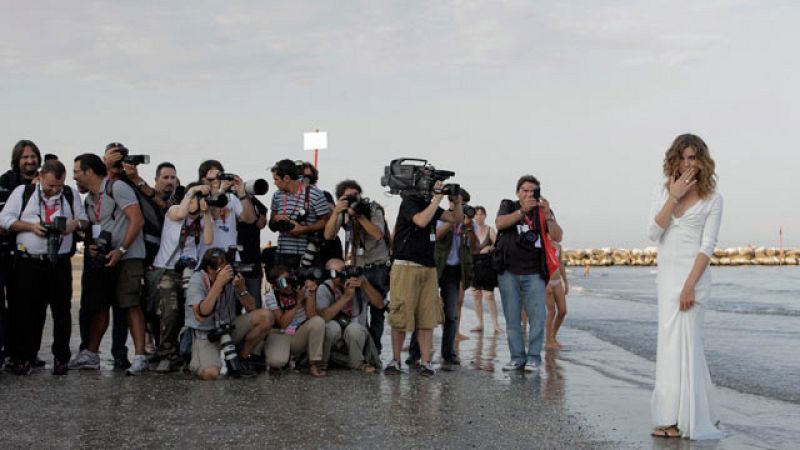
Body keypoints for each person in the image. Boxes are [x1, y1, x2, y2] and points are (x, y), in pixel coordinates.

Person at [647, 134, 723, 440]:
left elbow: (708, 247)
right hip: (666, 280)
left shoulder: (713, 198)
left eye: (693, 158)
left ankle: (687, 418)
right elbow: (653, 232)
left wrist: (690, 285)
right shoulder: (663, 191)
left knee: (688, 347)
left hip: (694, 280)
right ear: (674, 160)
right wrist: (674, 197)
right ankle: (668, 417)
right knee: (669, 348)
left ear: (702, 161)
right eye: (683, 157)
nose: (688, 164)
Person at [0, 160, 87, 375]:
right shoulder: (24, 192)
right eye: (50, 186)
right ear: (40, 177)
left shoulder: (70, 194)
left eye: (59, 185)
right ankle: (24, 357)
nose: (54, 190)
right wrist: (30, 226)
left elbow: (84, 220)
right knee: (26, 312)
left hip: (59, 262)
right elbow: (4, 219)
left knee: (61, 312)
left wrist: (72, 225)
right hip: (29, 262)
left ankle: (61, 358)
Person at [68, 153, 149, 374]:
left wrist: (121, 249)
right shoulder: (90, 199)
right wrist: (92, 245)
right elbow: (96, 228)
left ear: (89, 172)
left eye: (76, 172)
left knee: (130, 304)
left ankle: (140, 356)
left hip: (129, 256)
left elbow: (137, 220)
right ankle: (91, 354)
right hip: (106, 256)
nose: (74, 176)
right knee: (101, 304)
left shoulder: (117, 188)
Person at [384, 180, 463, 376]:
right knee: (401, 315)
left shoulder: (431, 205)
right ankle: (395, 360)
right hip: (406, 265)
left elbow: (456, 219)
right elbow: (420, 220)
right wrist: (437, 199)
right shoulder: (409, 202)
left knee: (427, 317)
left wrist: (456, 202)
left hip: (428, 267)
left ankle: (426, 362)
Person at [494, 175, 562, 372]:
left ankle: (533, 358)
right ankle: (516, 358)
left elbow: (557, 236)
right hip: (508, 271)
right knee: (513, 318)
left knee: (538, 318)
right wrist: (522, 210)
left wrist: (548, 215)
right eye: (524, 190)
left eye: (533, 191)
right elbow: (500, 223)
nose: (528, 194)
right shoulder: (509, 205)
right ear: (518, 192)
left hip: (534, 273)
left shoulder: (543, 212)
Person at [408, 188, 477, 371]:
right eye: (459, 203)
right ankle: (415, 352)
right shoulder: (441, 216)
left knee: (451, 314)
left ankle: (448, 352)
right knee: (423, 309)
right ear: (452, 202)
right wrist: (455, 220)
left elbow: (475, 247)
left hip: (454, 270)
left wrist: (468, 227)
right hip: (436, 267)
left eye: (465, 203)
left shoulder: (469, 221)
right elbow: (437, 236)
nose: (463, 207)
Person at [149, 182, 214, 373]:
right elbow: (180, 214)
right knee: (170, 312)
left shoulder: (202, 219)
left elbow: (209, 240)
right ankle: (167, 354)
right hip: (167, 270)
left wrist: (207, 213)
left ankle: (184, 353)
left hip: (190, 270)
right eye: (194, 198)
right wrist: (193, 191)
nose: (197, 202)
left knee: (189, 313)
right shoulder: (174, 211)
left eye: (200, 199)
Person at [323, 179, 391, 354]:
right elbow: (329, 235)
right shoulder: (344, 212)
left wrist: (359, 216)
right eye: (348, 197)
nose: (353, 199)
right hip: (357, 266)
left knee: (378, 310)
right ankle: (362, 349)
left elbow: (377, 234)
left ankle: (375, 351)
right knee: (359, 310)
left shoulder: (372, 208)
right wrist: (337, 211)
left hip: (377, 266)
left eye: (356, 195)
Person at [184, 248, 273, 380]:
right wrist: (218, 284)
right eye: (222, 268)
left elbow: (252, 308)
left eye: (227, 266)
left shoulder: (231, 277)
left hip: (228, 328)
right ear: (209, 269)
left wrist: (242, 289)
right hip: (206, 335)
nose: (226, 272)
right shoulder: (197, 280)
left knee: (266, 316)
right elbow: (202, 313)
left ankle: (242, 357)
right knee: (210, 374)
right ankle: (199, 359)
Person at [0, 139, 43, 367]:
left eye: (33, 156)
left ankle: (28, 353)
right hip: (5, 254)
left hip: (30, 259)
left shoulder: (46, 183)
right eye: (25, 157)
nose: (29, 160)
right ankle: (8, 352)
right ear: (17, 160)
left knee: (29, 306)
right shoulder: (5, 182)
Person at [316, 259, 384, 373]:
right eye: (335, 273)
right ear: (329, 275)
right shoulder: (324, 288)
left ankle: (358, 363)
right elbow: (323, 317)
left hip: (356, 339)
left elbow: (380, 304)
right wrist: (346, 297)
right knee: (331, 327)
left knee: (354, 328)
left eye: (343, 270)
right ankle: (322, 364)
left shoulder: (358, 284)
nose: (341, 275)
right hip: (334, 342)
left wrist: (365, 284)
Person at [263, 265, 327, 377]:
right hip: (280, 334)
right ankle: (284, 357)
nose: (287, 285)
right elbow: (283, 324)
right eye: (282, 283)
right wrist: (298, 303)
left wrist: (311, 293)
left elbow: (312, 316)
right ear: (274, 286)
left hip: (298, 333)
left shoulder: (300, 288)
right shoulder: (270, 296)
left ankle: (313, 364)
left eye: (288, 280)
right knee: (276, 362)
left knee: (318, 321)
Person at [268, 159, 330, 269]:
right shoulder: (277, 195)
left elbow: (326, 221)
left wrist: (304, 229)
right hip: (282, 253)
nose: (274, 183)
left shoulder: (314, 194)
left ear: (287, 178)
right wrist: (275, 219)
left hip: (307, 254)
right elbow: (272, 222)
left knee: (306, 285)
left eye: (276, 179)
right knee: (283, 285)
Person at [196, 160, 257, 259]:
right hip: (207, 260)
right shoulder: (198, 198)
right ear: (203, 179)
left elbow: (250, 219)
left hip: (230, 258)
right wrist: (222, 190)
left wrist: (242, 194)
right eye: (213, 178)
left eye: (219, 176)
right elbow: (213, 211)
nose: (217, 180)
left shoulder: (231, 198)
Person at [469, 206, 503, 335]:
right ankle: (480, 324)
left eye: (481, 214)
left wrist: (490, 247)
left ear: (485, 215)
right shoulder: (469, 230)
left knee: (489, 296)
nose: (479, 217)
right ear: (473, 217)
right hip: (473, 266)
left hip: (487, 266)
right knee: (476, 295)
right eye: (476, 214)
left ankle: (495, 324)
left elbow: (498, 246)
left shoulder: (490, 230)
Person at [544, 241, 568, 349]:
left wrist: (566, 282)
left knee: (562, 311)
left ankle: (553, 336)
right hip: (547, 282)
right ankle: (548, 340)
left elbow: (560, 264)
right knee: (551, 312)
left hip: (557, 281)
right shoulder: (542, 244)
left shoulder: (558, 246)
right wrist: (546, 282)